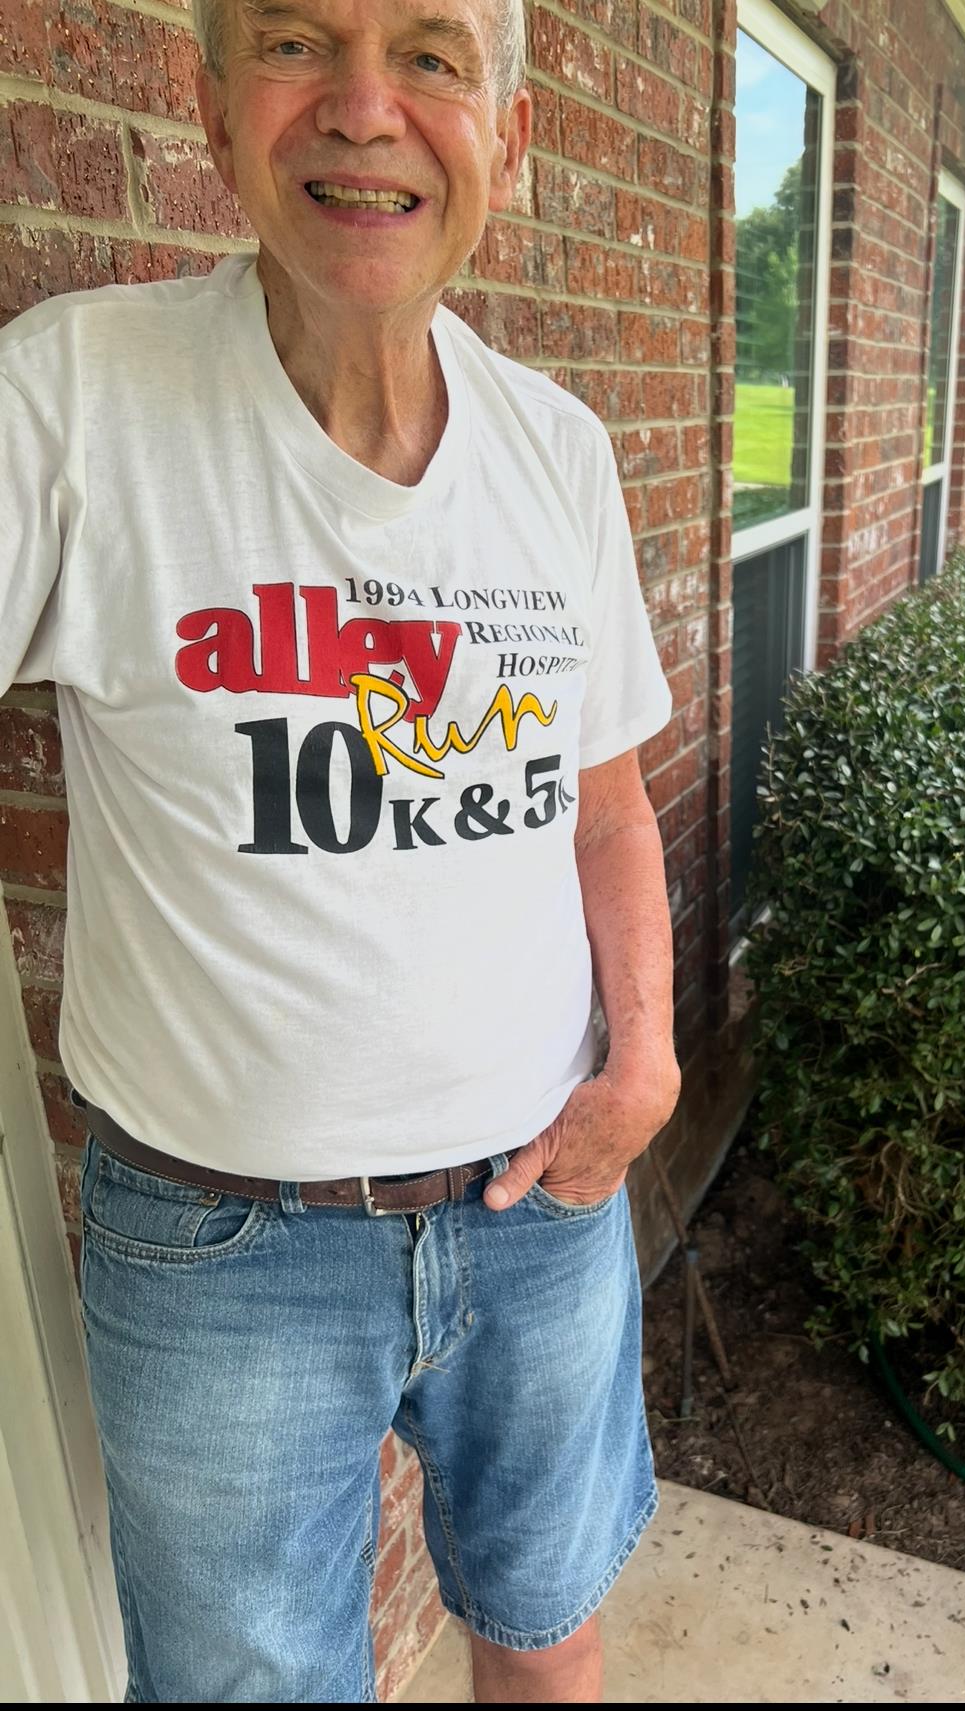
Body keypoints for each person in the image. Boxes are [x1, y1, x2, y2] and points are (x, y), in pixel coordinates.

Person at [0, 0, 681, 1700]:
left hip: (542, 1207)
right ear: (211, 106)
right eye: (300, 45)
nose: (366, 110)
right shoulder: (74, 403)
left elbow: (605, 807)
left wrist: (648, 1070)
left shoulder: (559, 452)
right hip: (225, 1257)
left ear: (506, 145)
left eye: (434, 59)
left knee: (546, 1630)